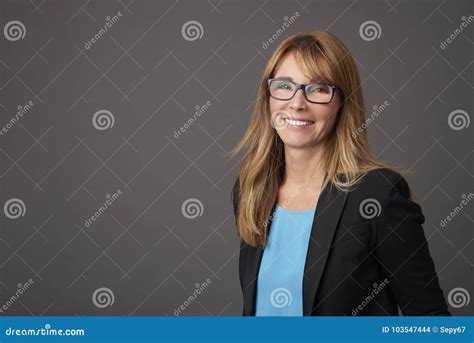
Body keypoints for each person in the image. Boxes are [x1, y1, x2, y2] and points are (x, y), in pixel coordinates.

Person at [229, 31, 450, 316]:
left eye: (318, 89)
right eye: (284, 86)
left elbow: (432, 323)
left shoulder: (378, 195)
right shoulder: (252, 190)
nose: (297, 103)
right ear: (268, 97)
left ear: (342, 103)